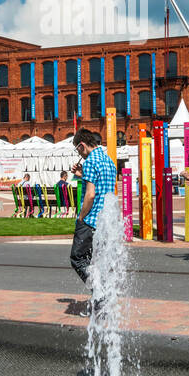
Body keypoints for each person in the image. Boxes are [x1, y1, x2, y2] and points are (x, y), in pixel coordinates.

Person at [68, 127, 118, 300]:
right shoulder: (108, 160)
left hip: (90, 220)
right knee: (98, 261)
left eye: (77, 149)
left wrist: (81, 217)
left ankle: (100, 292)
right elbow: (103, 185)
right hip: (105, 221)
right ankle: (105, 295)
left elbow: (90, 194)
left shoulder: (90, 161)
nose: (79, 154)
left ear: (82, 145)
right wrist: (81, 175)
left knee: (78, 258)